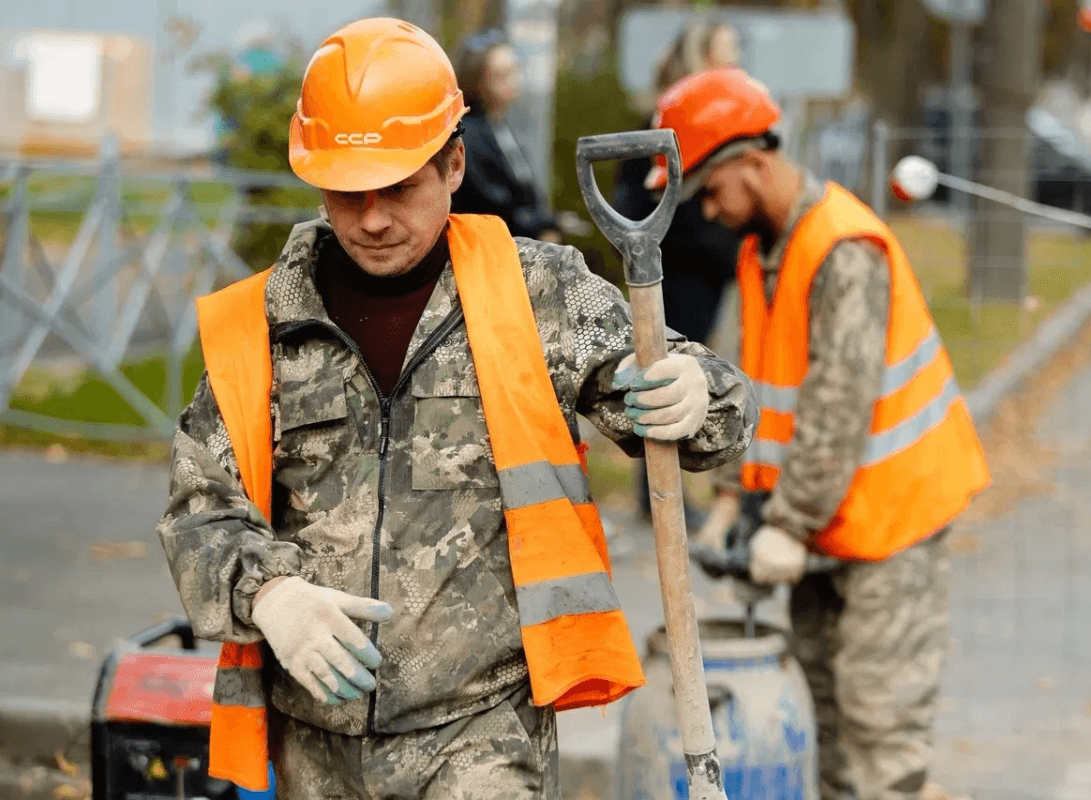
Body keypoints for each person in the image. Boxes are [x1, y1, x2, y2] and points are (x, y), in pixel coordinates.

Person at [157, 19, 756, 800]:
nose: (371, 218)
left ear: (454, 165)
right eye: (348, 191)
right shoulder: (262, 324)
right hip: (315, 741)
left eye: (399, 187)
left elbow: (711, 412)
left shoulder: (535, 291)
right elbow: (200, 511)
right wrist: (268, 594)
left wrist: (696, 395)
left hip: (482, 733)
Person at [649, 68, 992, 800]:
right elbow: (755, 387)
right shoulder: (761, 252)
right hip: (823, 529)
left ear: (752, 162)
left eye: (711, 189)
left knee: (880, 743)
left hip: (891, 525)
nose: (708, 210)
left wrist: (790, 523)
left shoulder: (843, 249)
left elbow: (839, 406)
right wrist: (737, 499)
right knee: (831, 738)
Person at [613, 21, 745, 523]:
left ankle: (666, 492)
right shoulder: (675, 112)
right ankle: (660, 493)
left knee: (685, 373)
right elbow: (652, 194)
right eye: (728, 48)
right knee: (667, 375)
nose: (735, 59)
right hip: (677, 268)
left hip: (705, 267)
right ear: (704, 52)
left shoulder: (709, 110)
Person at [449, 28, 584, 243]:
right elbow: (491, 205)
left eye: (515, 70)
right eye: (502, 74)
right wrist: (541, 226)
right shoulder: (469, 134)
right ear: (477, 80)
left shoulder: (499, 127)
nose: (515, 80)